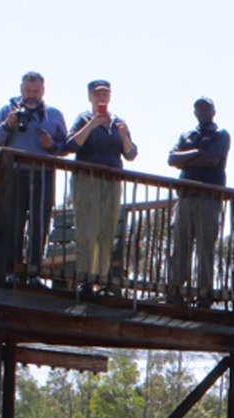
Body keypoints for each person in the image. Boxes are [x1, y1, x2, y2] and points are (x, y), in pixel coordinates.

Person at [0, 71, 68, 283]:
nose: (31, 95)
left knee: (40, 223)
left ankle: (34, 271)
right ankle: (13, 269)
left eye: (36, 91)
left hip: (43, 174)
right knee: (14, 222)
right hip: (14, 174)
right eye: (28, 91)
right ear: (21, 89)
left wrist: (52, 146)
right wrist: (8, 125)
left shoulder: (54, 115)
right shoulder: (7, 110)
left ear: (43, 90)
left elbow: (65, 147)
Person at [66, 80, 136, 293]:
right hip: (87, 181)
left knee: (107, 231)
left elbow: (131, 154)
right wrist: (92, 125)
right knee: (88, 231)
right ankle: (85, 278)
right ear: (90, 97)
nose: (102, 98)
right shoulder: (83, 119)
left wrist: (124, 137)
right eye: (97, 94)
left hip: (111, 182)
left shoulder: (118, 122)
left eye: (105, 94)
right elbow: (70, 145)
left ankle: (102, 279)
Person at [167, 96, 229, 305]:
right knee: (180, 244)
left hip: (208, 199)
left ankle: (204, 294)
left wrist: (186, 159)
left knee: (205, 247)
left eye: (206, 109)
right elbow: (171, 159)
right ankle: (176, 290)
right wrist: (196, 153)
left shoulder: (221, 135)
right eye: (198, 109)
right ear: (194, 112)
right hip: (185, 197)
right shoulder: (187, 135)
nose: (202, 112)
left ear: (214, 111)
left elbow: (212, 159)